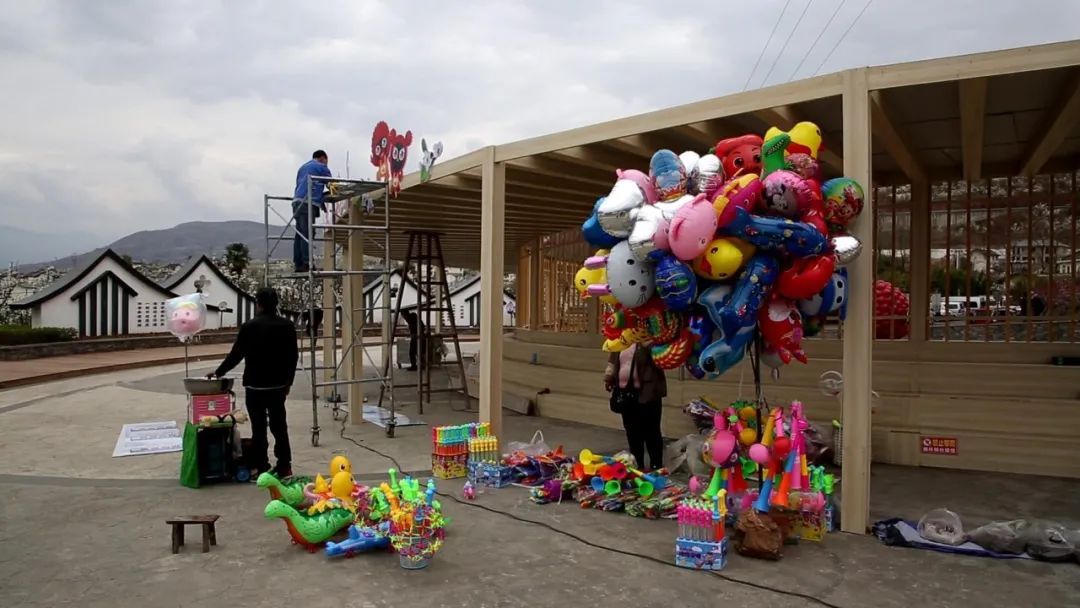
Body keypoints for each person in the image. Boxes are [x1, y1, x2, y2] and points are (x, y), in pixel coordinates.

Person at [208, 287, 299, 478]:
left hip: (255, 385)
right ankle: (284, 466)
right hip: (277, 386)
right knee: (279, 426)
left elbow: (236, 355)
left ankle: (262, 466)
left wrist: (218, 372)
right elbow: (292, 357)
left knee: (259, 428)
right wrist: (288, 382)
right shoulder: (287, 326)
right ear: (276, 304)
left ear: (258, 304)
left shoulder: (249, 327)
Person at [603, 343, 667, 471]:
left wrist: (645, 343)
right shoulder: (621, 341)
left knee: (651, 431)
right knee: (632, 432)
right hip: (626, 395)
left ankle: (656, 465)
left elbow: (661, 359)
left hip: (648, 395)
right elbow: (613, 361)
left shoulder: (649, 341)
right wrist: (609, 377)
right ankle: (637, 465)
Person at [292, 150, 333, 273]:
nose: (326, 164)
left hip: (297, 202)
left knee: (299, 235)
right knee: (307, 234)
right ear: (322, 158)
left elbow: (305, 186)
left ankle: (298, 263)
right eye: (326, 161)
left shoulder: (302, 167)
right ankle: (307, 264)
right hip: (307, 204)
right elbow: (333, 185)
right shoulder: (321, 167)